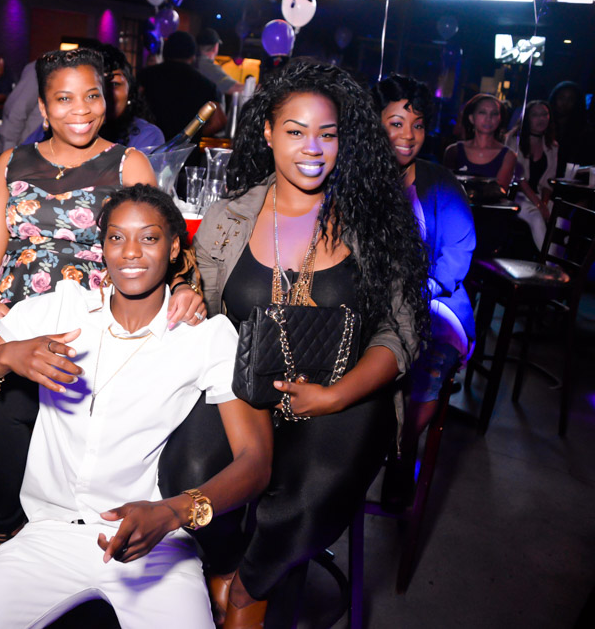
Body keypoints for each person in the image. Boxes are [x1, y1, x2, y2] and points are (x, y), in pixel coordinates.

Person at [0, 48, 205, 584]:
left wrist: (180, 286)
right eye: (64, 98)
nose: (81, 109)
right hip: (11, 314)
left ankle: (15, 525)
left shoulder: (128, 162)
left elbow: (159, 236)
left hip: (89, 321)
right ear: (42, 105)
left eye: (92, 96)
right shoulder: (11, 162)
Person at [0, 184, 273, 628]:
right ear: (102, 248)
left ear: (173, 249)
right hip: (48, 538)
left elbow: (255, 461)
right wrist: (6, 356)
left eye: (149, 238)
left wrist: (172, 512)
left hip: (154, 542)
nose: (130, 252)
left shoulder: (205, 337)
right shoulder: (61, 309)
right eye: (116, 237)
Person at [194, 61, 428, 626]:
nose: (313, 148)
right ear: (268, 132)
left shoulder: (377, 221)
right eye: (296, 131)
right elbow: (204, 310)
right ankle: (222, 567)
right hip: (242, 386)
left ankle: (248, 592)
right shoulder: (228, 217)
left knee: (301, 499)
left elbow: (400, 332)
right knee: (190, 470)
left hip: (344, 390)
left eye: (328, 133)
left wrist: (336, 396)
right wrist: (182, 293)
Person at [371, 75, 476, 511]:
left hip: (434, 300)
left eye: (417, 125)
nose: (408, 135)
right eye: (396, 123)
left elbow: (458, 251)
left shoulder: (441, 182)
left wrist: (419, 289)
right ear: (375, 124)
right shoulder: (356, 178)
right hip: (369, 302)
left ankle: (401, 449)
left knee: (427, 363)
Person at [22, 42, 164, 153]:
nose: (105, 93)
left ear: (131, 90)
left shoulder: (146, 137)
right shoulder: (60, 128)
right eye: (96, 87)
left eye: (114, 84)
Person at [139, 31, 227, 140]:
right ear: (193, 55)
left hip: (150, 144)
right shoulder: (206, 84)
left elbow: (134, 107)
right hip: (187, 148)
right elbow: (218, 122)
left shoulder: (146, 75)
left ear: (165, 52)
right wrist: (191, 136)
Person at [505, 100, 559, 251]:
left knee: (561, 221)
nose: (541, 119)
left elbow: (549, 181)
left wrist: (544, 203)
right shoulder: (513, 139)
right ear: (527, 118)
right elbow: (517, 178)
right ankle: (550, 262)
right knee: (536, 217)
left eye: (544, 114)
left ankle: (559, 260)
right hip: (518, 196)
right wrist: (539, 205)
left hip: (540, 196)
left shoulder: (552, 145)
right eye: (535, 115)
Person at [443, 93, 516, 192]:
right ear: (471, 118)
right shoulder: (453, 151)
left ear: (500, 119)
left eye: (494, 113)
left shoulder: (508, 155)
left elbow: (499, 191)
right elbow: (445, 187)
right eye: (482, 112)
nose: (488, 118)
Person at [549, 80, 595, 175]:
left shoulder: (584, 130)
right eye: (561, 98)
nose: (565, 103)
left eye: (570, 99)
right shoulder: (544, 124)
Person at [196, 28, 244, 96]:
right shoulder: (208, 67)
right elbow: (234, 87)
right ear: (215, 47)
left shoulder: (194, 62)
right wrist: (256, 88)